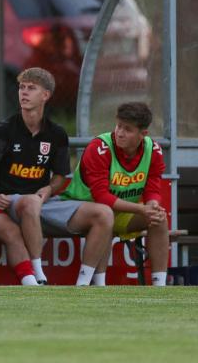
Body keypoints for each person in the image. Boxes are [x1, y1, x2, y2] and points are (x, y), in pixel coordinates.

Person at [0, 68, 114, 286]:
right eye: (22, 87)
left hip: (43, 202)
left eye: (31, 88)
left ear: (45, 95)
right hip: (10, 201)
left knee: (104, 213)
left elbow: (60, 177)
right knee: (31, 201)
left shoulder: (56, 134)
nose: (24, 92)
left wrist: (49, 189)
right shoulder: (1, 130)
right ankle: (38, 273)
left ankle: (89, 283)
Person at [61, 101, 169, 286]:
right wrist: (140, 209)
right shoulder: (100, 147)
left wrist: (152, 205)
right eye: (118, 126)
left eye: (127, 129)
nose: (119, 132)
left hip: (118, 212)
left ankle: (160, 286)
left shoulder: (153, 150)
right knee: (105, 214)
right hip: (79, 208)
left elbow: (153, 189)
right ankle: (85, 284)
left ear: (143, 134)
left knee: (159, 218)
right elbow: (101, 196)